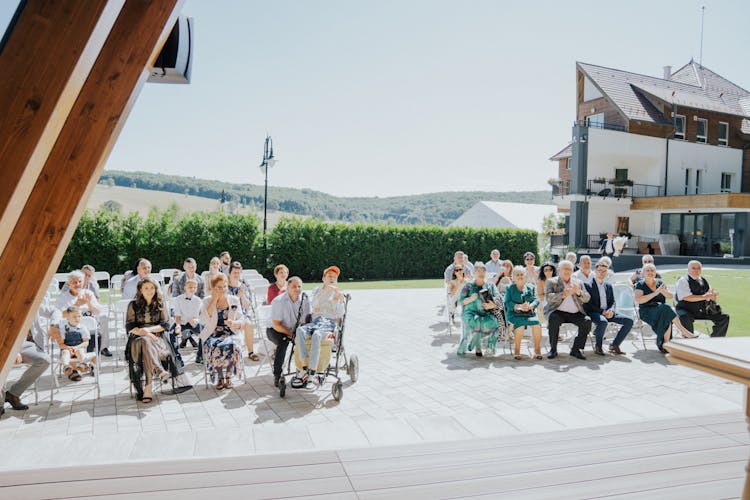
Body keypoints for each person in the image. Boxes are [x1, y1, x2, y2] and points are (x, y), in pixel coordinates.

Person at [126, 277, 191, 403]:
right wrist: (145, 334)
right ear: (140, 290)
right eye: (146, 288)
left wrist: (148, 332)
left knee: (147, 343)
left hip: (157, 340)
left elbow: (165, 325)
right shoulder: (132, 305)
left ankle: (148, 387)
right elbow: (130, 327)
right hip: (137, 342)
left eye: (152, 288)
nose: (150, 290)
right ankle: (159, 370)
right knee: (144, 341)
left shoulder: (160, 304)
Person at [2, 294, 56, 416]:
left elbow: (54, 311)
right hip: (5, 344)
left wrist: (54, 326)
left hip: (28, 344)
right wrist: (13, 351)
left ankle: (13, 394)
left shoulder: (30, 298)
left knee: (44, 360)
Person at [293, 266, 346, 387]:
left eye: (334, 277)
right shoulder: (317, 290)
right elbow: (313, 307)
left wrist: (338, 301)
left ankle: (312, 372)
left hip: (329, 322)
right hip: (316, 321)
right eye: (329, 276)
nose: (332, 278)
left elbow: (339, 314)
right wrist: (322, 293)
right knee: (300, 330)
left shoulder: (338, 292)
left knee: (317, 334)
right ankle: (304, 366)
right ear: (324, 278)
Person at [634, 263, 696, 353]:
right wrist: (655, 293)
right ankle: (683, 332)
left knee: (666, 312)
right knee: (666, 310)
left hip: (662, 310)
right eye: (647, 270)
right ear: (643, 273)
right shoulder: (640, 284)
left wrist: (662, 291)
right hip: (646, 311)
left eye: (652, 270)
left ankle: (666, 343)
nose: (650, 272)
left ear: (655, 272)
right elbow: (639, 300)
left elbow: (670, 296)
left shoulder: (660, 282)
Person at [199, 274, 244, 390]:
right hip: (212, 333)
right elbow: (203, 320)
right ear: (213, 288)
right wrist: (214, 300)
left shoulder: (234, 299)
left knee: (233, 345)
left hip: (230, 332)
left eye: (224, 286)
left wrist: (234, 323)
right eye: (219, 287)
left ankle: (228, 377)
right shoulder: (206, 301)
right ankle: (220, 377)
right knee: (215, 346)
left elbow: (241, 319)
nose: (223, 289)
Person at [55, 270, 111, 357]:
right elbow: (60, 315)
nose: (77, 284)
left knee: (97, 332)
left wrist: (89, 304)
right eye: (74, 282)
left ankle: (91, 363)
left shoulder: (88, 293)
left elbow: (98, 312)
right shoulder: (62, 297)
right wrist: (77, 304)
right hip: (71, 332)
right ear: (68, 284)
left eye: (80, 281)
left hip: (89, 330)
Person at [543, 260, 591, 360]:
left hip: (575, 313)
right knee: (553, 319)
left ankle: (576, 349)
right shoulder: (552, 282)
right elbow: (549, 297)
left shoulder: (577, 282)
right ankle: (553, 349)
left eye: (570, 269)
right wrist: (564, 294)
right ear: (559, 270)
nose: (567, 271)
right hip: (557, 311)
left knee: (587, 321)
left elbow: (587, 298)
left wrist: (578, 292)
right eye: (565, 269)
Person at [584, 258, 633, 355]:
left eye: (604, 271)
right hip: (594, 313)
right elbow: (587, 304)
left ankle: (614, 345)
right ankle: (598, 346)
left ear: (607, 273)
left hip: (609, 313)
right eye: (600, 271)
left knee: (629, 321)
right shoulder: (587, 285)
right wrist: (602, 312)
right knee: (602, 321)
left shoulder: (609, 286)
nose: (602, 273)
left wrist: (611, 311)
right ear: (595, 271)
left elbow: (613, 301)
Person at [269, 277, 311, 387]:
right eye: (294, 286)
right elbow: (276, 325)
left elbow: (307, 320)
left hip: (295, 329)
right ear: (287, 287)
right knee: (283, 343)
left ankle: (303, 371)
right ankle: (277, 375)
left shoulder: (305, 300)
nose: (297, 289)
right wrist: (292, 335)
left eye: (299, 286)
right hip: (275, 329)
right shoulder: (279, 301)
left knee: (308, 341)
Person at [675, 260, 730, 338]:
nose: (696, 270)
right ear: (688, 269)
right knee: (685, 317)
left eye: (698, 268)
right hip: (686, 309)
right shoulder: (683, 280)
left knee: (724, 317)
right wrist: (705, 297)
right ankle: (689, 341)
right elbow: (687, 297)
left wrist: (713, 296)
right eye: (693, 268)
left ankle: (715, 339)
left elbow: (712, 299)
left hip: (702, 310)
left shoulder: (703, 280)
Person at [458, 262, 501, 357]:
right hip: (470, 314)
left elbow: (498, 298)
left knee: (496, 322)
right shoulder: (468, 286)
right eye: (478, 271)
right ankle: (478, 346)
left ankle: (489, 345)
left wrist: (492, 305)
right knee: (477, 321)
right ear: (474, 273)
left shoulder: (490, 285)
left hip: (486, 313)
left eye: (483, 271)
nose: (481, 273)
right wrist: (470, 299)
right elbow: (460, 301)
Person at [505, 266, 542, 360]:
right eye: (517, 275)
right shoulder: (510, 288)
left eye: (522, 274)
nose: (520, 276)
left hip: (529, 313)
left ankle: (537, 349)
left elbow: (536, 300)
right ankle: (517, 350)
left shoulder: (531, 287)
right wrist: (518, 306)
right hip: (514, 314)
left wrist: (531, 306)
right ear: (513, 277)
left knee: (537, 323)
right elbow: (507, 302)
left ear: (525, 277)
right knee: (520, 323)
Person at [227, 262, 259, 361]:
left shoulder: (243, 286)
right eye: (234, 272)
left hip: (243, 315)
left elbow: (247, 305)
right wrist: (237, 297)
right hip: (229, 315)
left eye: (238, 272)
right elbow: (227, 306)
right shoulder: (225, 287)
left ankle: (250, 352)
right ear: (229, 273)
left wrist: (243, 295)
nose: (237, 275)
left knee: (249, 324)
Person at [56, 306, 95, 380]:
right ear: (67, 318)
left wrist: (76, 347)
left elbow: (86, 342)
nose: (77, 319)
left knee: (79, 351)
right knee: (65, 352)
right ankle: (66, 367)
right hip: (68, 349)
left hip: (78, 348)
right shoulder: (63, 329)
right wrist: (68, 348)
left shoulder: (82, 328)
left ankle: (83, 364)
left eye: (79, 316)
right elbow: (61, 344)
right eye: (74, 317)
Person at [173, 278, 203, 363]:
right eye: (190, 287)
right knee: (171, 334)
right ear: (185, 287)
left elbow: (197, 316)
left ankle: (200, 356)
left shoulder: (198, 300)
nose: (192, 289)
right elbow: (177, 315)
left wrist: (195, 320)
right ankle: (177, 359)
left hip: (193, 322)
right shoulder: (178, 299)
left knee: (205, 332)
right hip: (181, 322)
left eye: (194, 287)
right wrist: (178, 326)